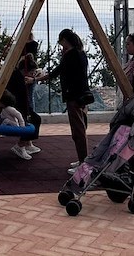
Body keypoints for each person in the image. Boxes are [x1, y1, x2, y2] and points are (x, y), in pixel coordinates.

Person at [32, 28, 90, 174]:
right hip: (82, 95)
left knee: (78, 131)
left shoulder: (70, 56)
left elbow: (56, 73)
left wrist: (35, 79)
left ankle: (83, 163)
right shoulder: (81, 53)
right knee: (80, 128)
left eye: (61, 42)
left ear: (64, 41)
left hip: (74, 97)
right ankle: (82, 158)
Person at [7, 56, 42, 160]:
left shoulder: (20, 77)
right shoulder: (17, 78)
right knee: (31, 120)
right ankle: (20, 145)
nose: (32, 75)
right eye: (32, 73)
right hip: (14, 106)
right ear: (25, 70)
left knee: (36, 118)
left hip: (19, 105)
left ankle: (26, 143)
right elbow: (20, 97)